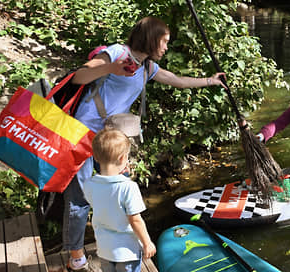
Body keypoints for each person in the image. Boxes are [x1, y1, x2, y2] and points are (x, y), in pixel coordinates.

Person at [63, 16, 225, 271]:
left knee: (118, 189)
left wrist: (210, 81)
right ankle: (75, 255)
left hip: (109, 139)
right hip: (82, 133)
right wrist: (109, 68)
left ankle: (113, 243)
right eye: (165, 42)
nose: (166, 47)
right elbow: (79, 77)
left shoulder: (146, 67)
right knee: (80, 197)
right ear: (151, 39)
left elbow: (176, 80)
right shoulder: (118, 53)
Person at [83, 128, 155, 272]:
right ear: (123, 158)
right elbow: (135, 220)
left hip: (104, 249)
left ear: (95, 157)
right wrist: (147, 243)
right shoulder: (128, 187)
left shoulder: (89, 184)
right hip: (127, 252)